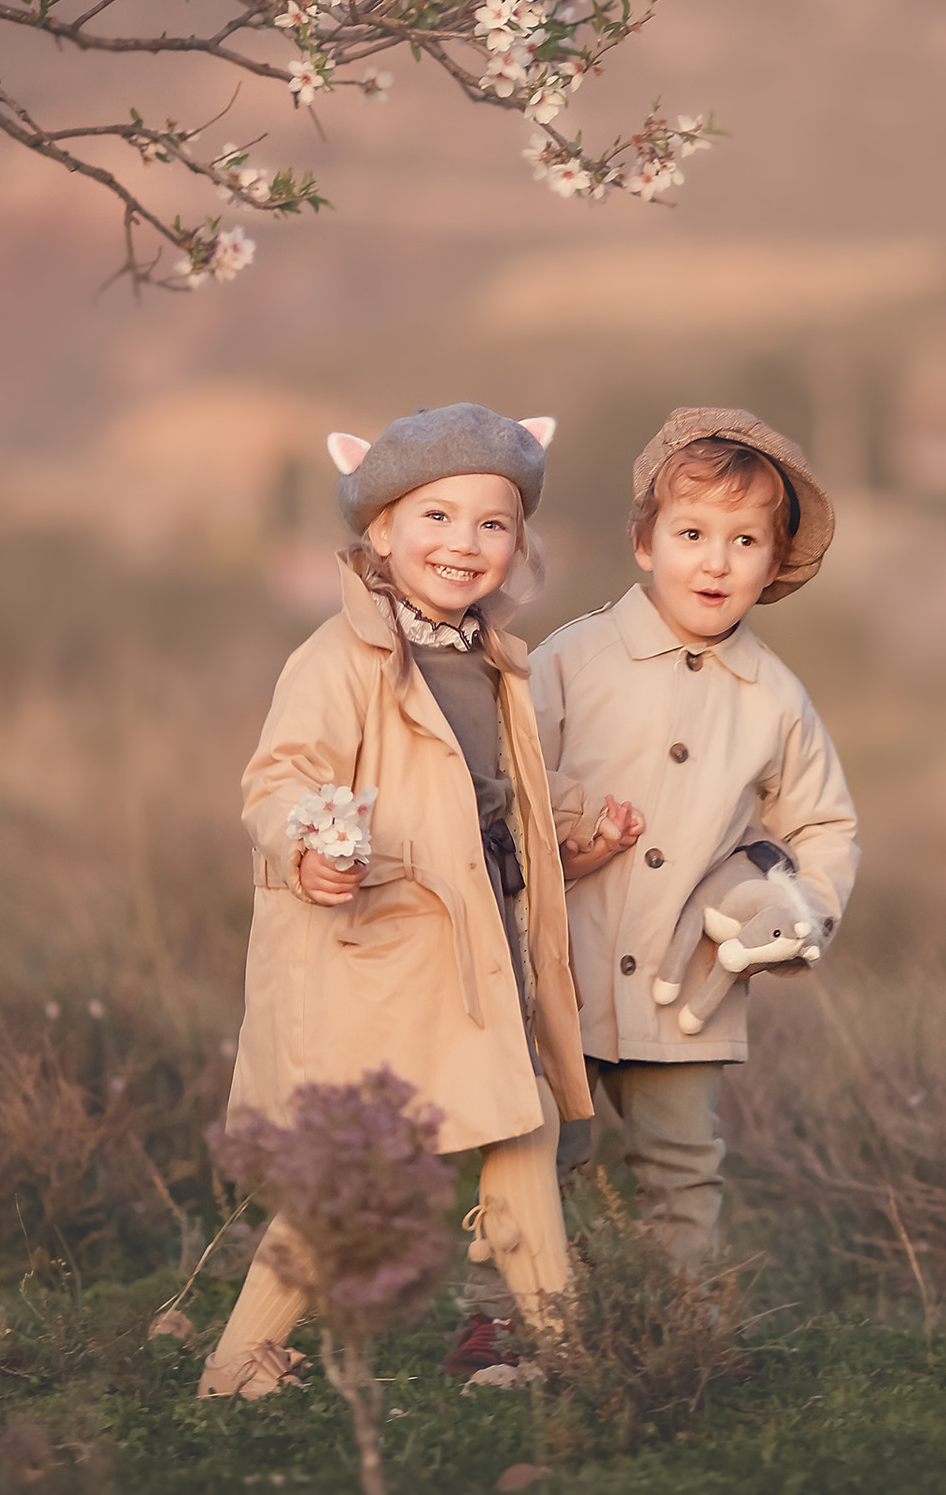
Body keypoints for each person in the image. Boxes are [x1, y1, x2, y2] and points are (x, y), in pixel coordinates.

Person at [199, 402, 631, 1397]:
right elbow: (276, 782)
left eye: (491, 523)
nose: (463, 543)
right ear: (380, 530)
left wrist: (576, 830)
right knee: (353, 1168)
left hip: (484, 942)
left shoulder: (490, 657)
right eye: (435, 517)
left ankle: (563, 1353)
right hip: (385, 952)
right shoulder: (340, 657)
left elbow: (497, 797)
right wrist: (309, 846)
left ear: (518, 542)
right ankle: (235, 1362)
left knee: (518, 1131)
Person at [531, 407, 860, 1267]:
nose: (716, 560)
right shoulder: (572, 659)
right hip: (557, 972)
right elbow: (509, 784)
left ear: (774, 560)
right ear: (645, 542)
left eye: (745, 540)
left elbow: (824, 825)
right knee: (536, 1160)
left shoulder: (773, 696)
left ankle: (686, 1326)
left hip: (686, 989)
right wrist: (572, 822)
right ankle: (509, 1320)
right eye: (691, 532)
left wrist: (792, 908)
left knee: (683, 1168)